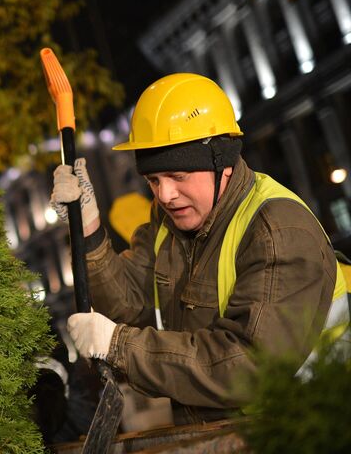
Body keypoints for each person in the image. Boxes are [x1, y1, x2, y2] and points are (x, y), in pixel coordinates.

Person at [50, 72, 349, 425]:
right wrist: (87, 228)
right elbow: (127, 304)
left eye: (178, 177)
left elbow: (250, 368)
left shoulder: (277, 230)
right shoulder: (169, 221)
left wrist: (118, 345)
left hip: (303, 431)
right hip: (223, 436)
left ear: (222, 163)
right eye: (153, 180)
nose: (165, 195)